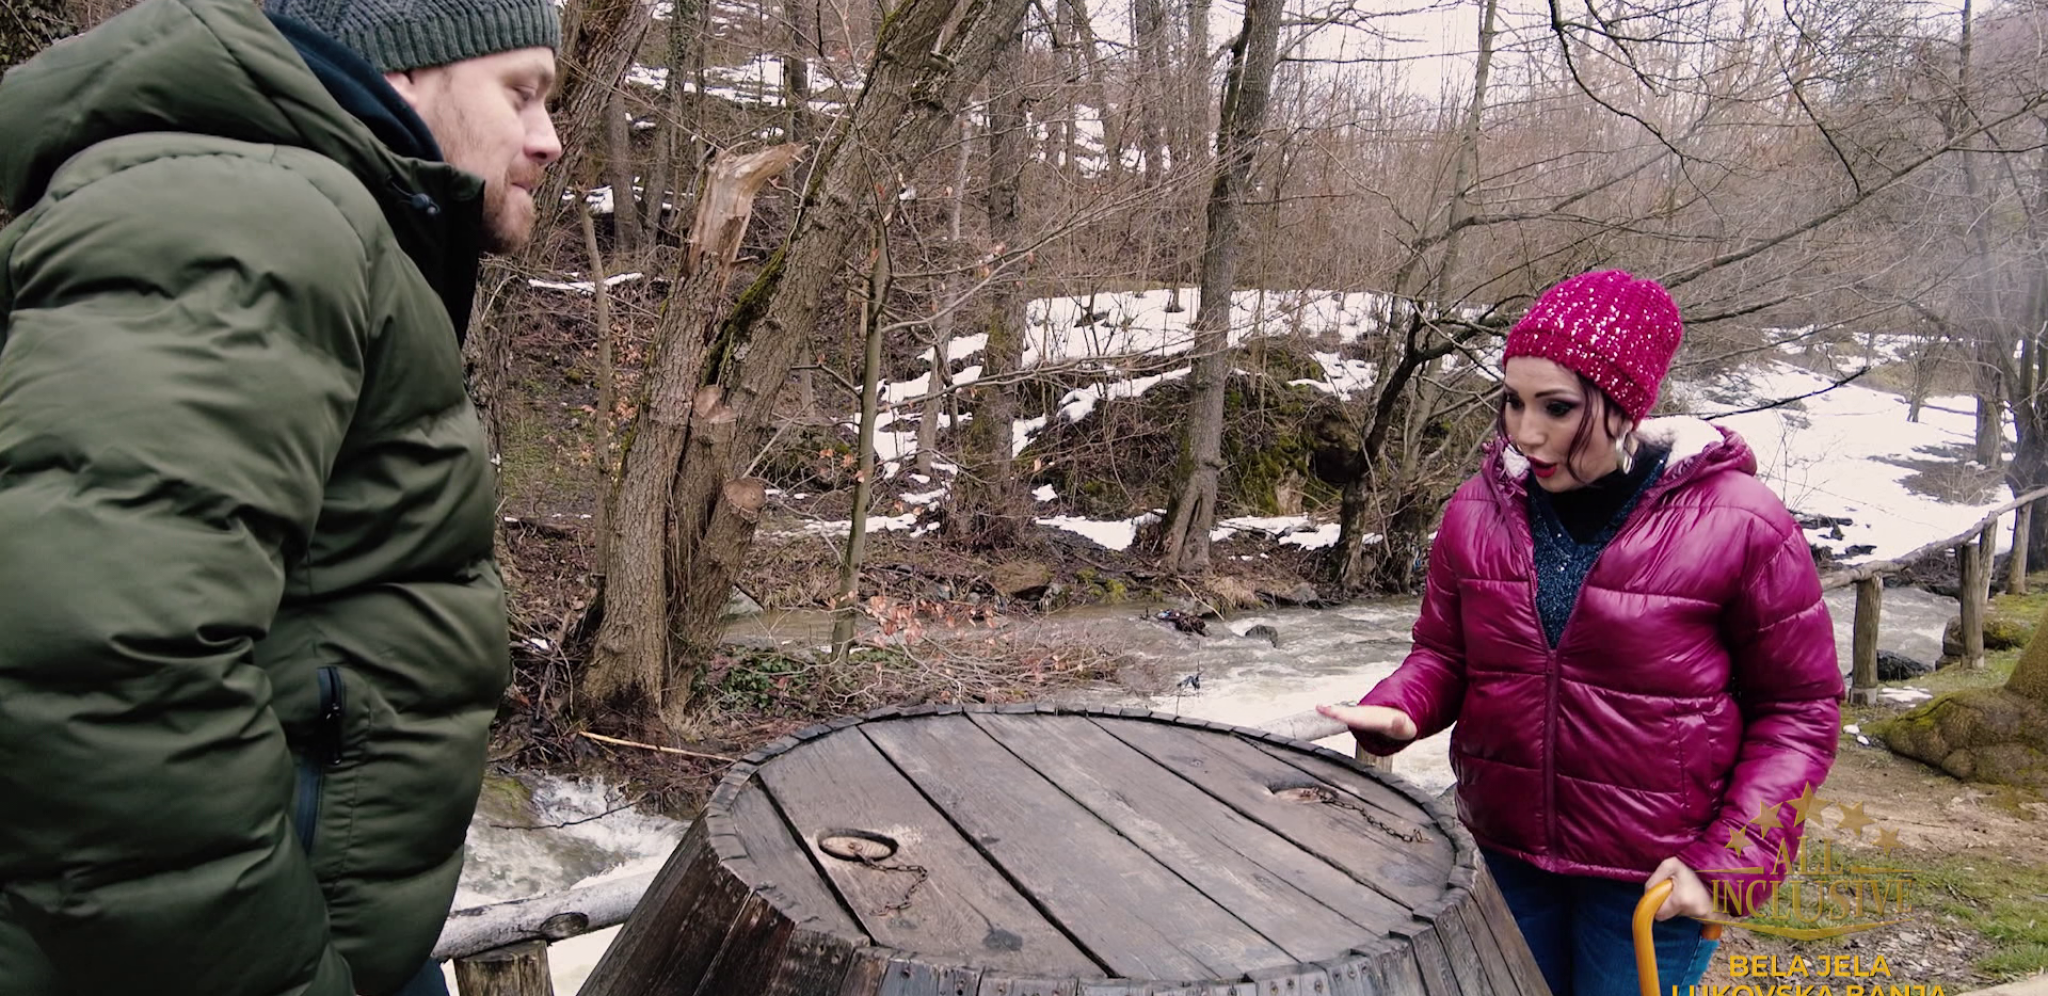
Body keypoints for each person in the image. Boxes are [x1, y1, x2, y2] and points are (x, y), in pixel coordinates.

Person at [0, 0, 561, 991]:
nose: (547, 138)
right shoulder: (249, 217)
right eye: (519, 93)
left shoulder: (305, 215)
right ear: (399, 72)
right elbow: (97, 666)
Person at [1318, 270, 1842, 996]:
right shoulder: (1477, 510)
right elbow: (1446, 653)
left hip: (1655, 877)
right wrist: (1401, 708)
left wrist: (1731, 862)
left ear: (1626, 407)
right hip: (1503, 856)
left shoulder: (1741, 522)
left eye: (1557, 408)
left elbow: (1800, 712)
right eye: (1513, 400)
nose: (1525, 432)